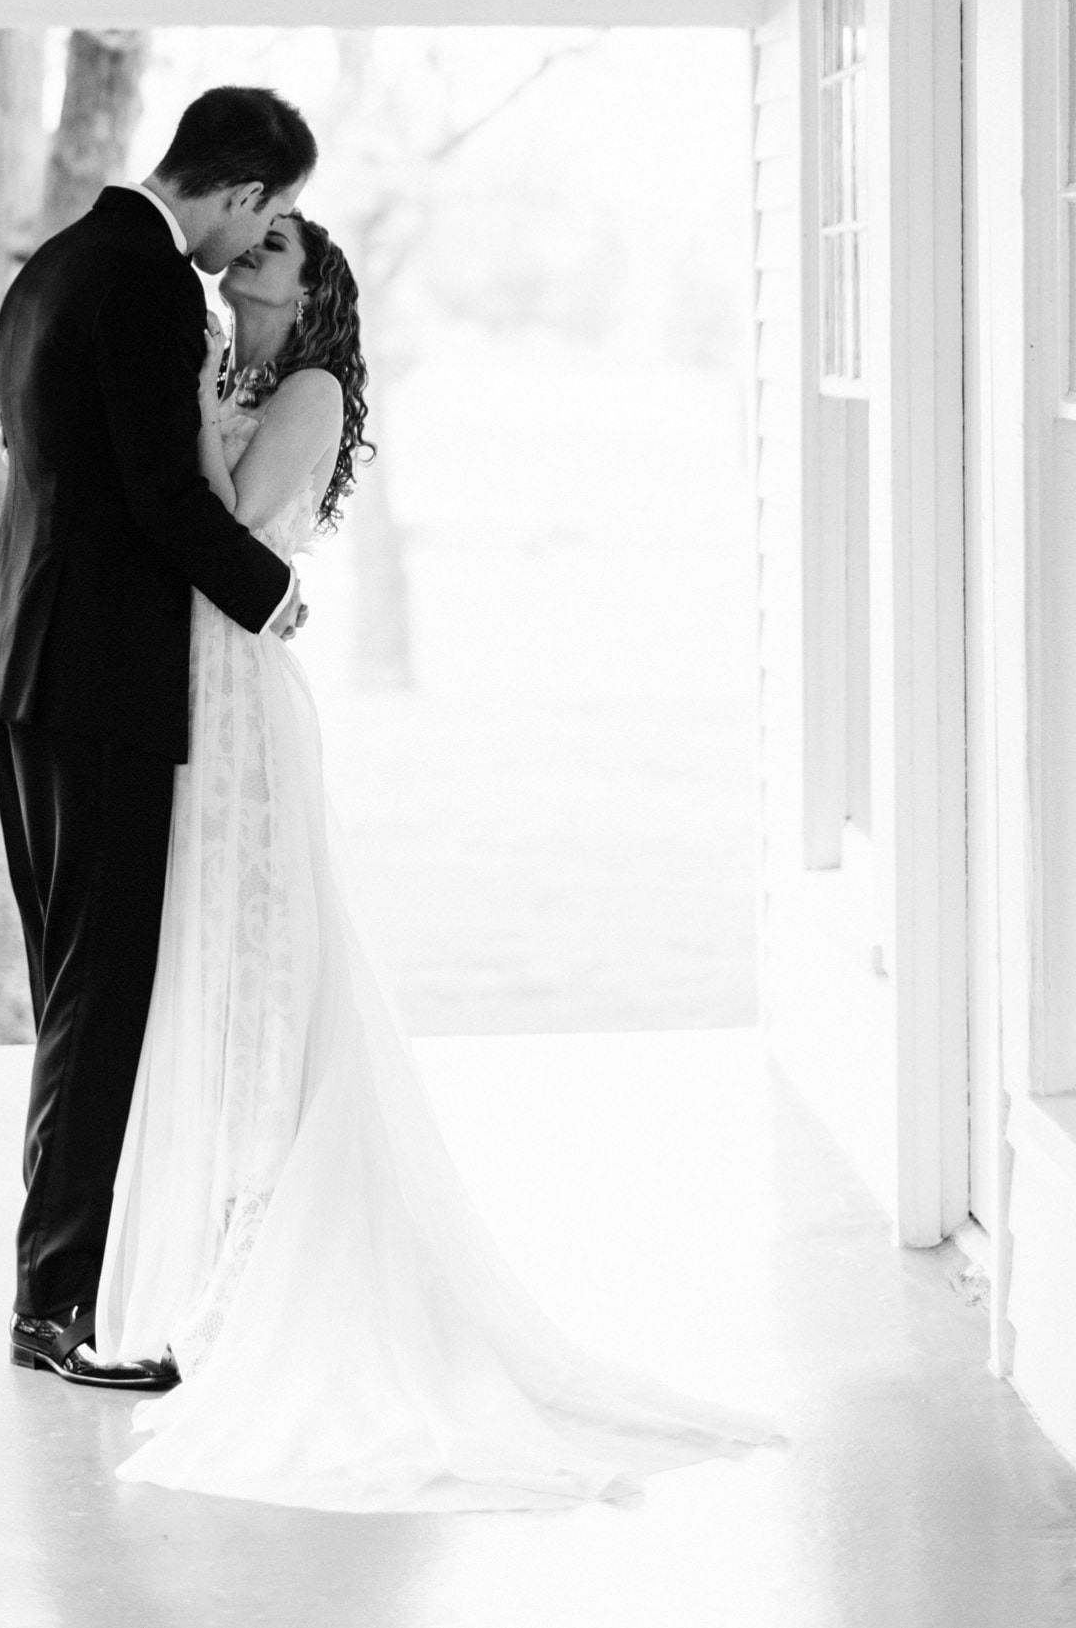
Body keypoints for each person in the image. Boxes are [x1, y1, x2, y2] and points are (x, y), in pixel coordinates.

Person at [92, 209, 784, 1509]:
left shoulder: (306, 388)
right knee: (214, 969)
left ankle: (268, 1266)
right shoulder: (242, 371)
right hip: (195, 683)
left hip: (241, 692)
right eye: (251, 241)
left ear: (317, 293)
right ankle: (217, 1267)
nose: (249, 256)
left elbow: (229, 522)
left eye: (279, 251)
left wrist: (189, 404)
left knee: (263, 964)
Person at [0, 84, 316, 1389]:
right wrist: (277, 596)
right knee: (98, 999)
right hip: (101, 679)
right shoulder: (156, 286)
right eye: (266, 212)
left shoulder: (50, 266)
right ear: (235, 192)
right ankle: (56, 1311)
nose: (256, 236)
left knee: (75, 991)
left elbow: (53, 465)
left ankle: (56, 1288)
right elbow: (162, 496)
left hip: (18, 666)